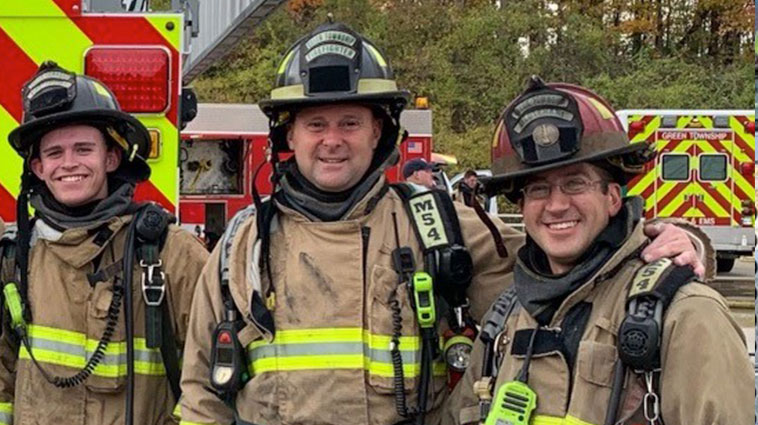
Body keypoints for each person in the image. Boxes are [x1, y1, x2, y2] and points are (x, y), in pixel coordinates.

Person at [178, 24, 706, 425]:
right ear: (289, 137)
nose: (331, 139)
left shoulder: (440, 227)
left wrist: (674, 244)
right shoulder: (243, 244)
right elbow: (201, 392)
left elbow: (571, 256)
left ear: (380, 133)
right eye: (315, 123)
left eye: (349, 122)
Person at [444, 77, 750, 425]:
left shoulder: (686, 315)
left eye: (575, 183)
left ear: (613, 197)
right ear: (523, 207)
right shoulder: (506, 316)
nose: (556, 205)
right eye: (538, 189)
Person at [0, 62, 209, 425]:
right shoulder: (17, 256)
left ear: (111, 158)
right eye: (54, 153)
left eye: (83, 149)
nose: (69, 163)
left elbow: (213, 368)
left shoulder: (168, 251)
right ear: (37, 168)